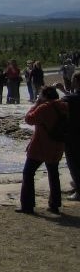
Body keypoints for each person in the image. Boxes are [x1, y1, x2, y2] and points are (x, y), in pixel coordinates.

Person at [17, 85, 69, 215]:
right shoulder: (64, 106)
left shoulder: (44, 108)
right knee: (54, 173)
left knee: (28, 173)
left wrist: (36, 104)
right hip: (57, 145)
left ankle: (27, 205)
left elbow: (29, 118)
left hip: (41, 146)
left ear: (44, 96)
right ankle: (54, 204)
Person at [57, 72, 80, 201]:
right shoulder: (72, 98)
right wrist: (64, 90)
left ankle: (79, 191)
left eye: (73, 80)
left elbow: (63, 102)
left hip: (73, 135)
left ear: (76, 81)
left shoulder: (70, 100)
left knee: (74, 163)